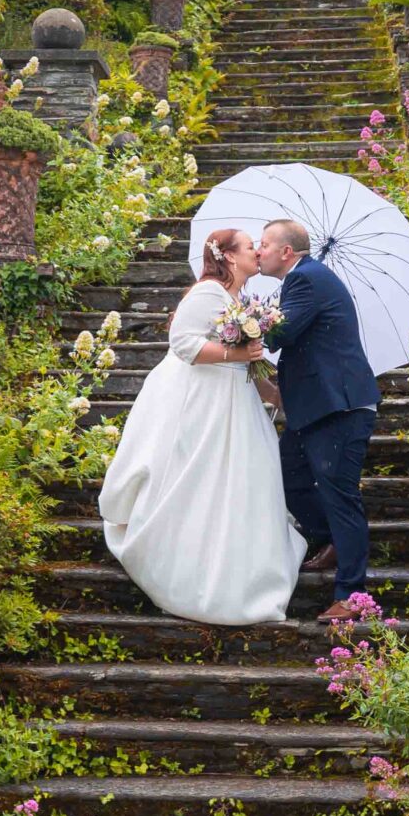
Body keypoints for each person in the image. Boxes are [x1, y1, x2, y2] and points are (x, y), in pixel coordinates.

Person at [97, 228, 306, 624]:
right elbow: (183, 343)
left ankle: (243, 574)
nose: (256, 253)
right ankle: (185, 569)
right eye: (250, 247)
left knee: (245, 479)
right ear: (229, 256)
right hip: (204, 400)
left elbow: (244, 363)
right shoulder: (208, 292)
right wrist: (238, 352)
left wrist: (272, 393)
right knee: (199, 477)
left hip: (236, 398)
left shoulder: (239, 300)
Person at [253, 217, 380, 621]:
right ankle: (331, 540)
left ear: (286, 251)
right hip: (313, 408)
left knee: (340, 495)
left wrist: (242, 324)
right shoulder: (302, 279)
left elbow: (280, 335)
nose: (258, 251)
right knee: (286, 476)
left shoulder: (305, 279)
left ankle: (352, 594)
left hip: (338, 408)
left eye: (264, 244)